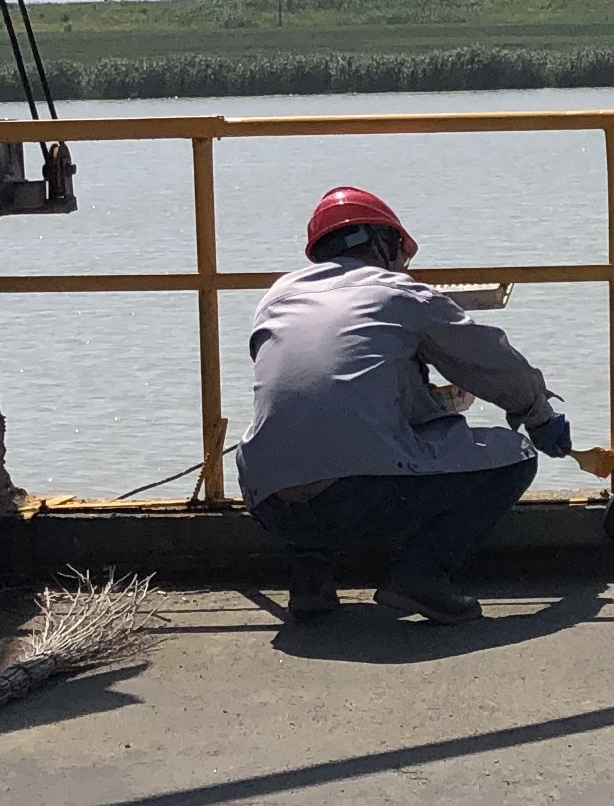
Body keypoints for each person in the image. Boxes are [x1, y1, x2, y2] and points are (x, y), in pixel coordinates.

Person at [238, 185, 580, 624]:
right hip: (359, 496)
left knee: (307, 443)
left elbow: (318, 389)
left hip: (268, 502)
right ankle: (421, 577)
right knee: (515, 456)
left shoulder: (276, 297)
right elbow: (494, 365)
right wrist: (538, 416)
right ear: (382, 244)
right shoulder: (398, 292)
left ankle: (310, 580)